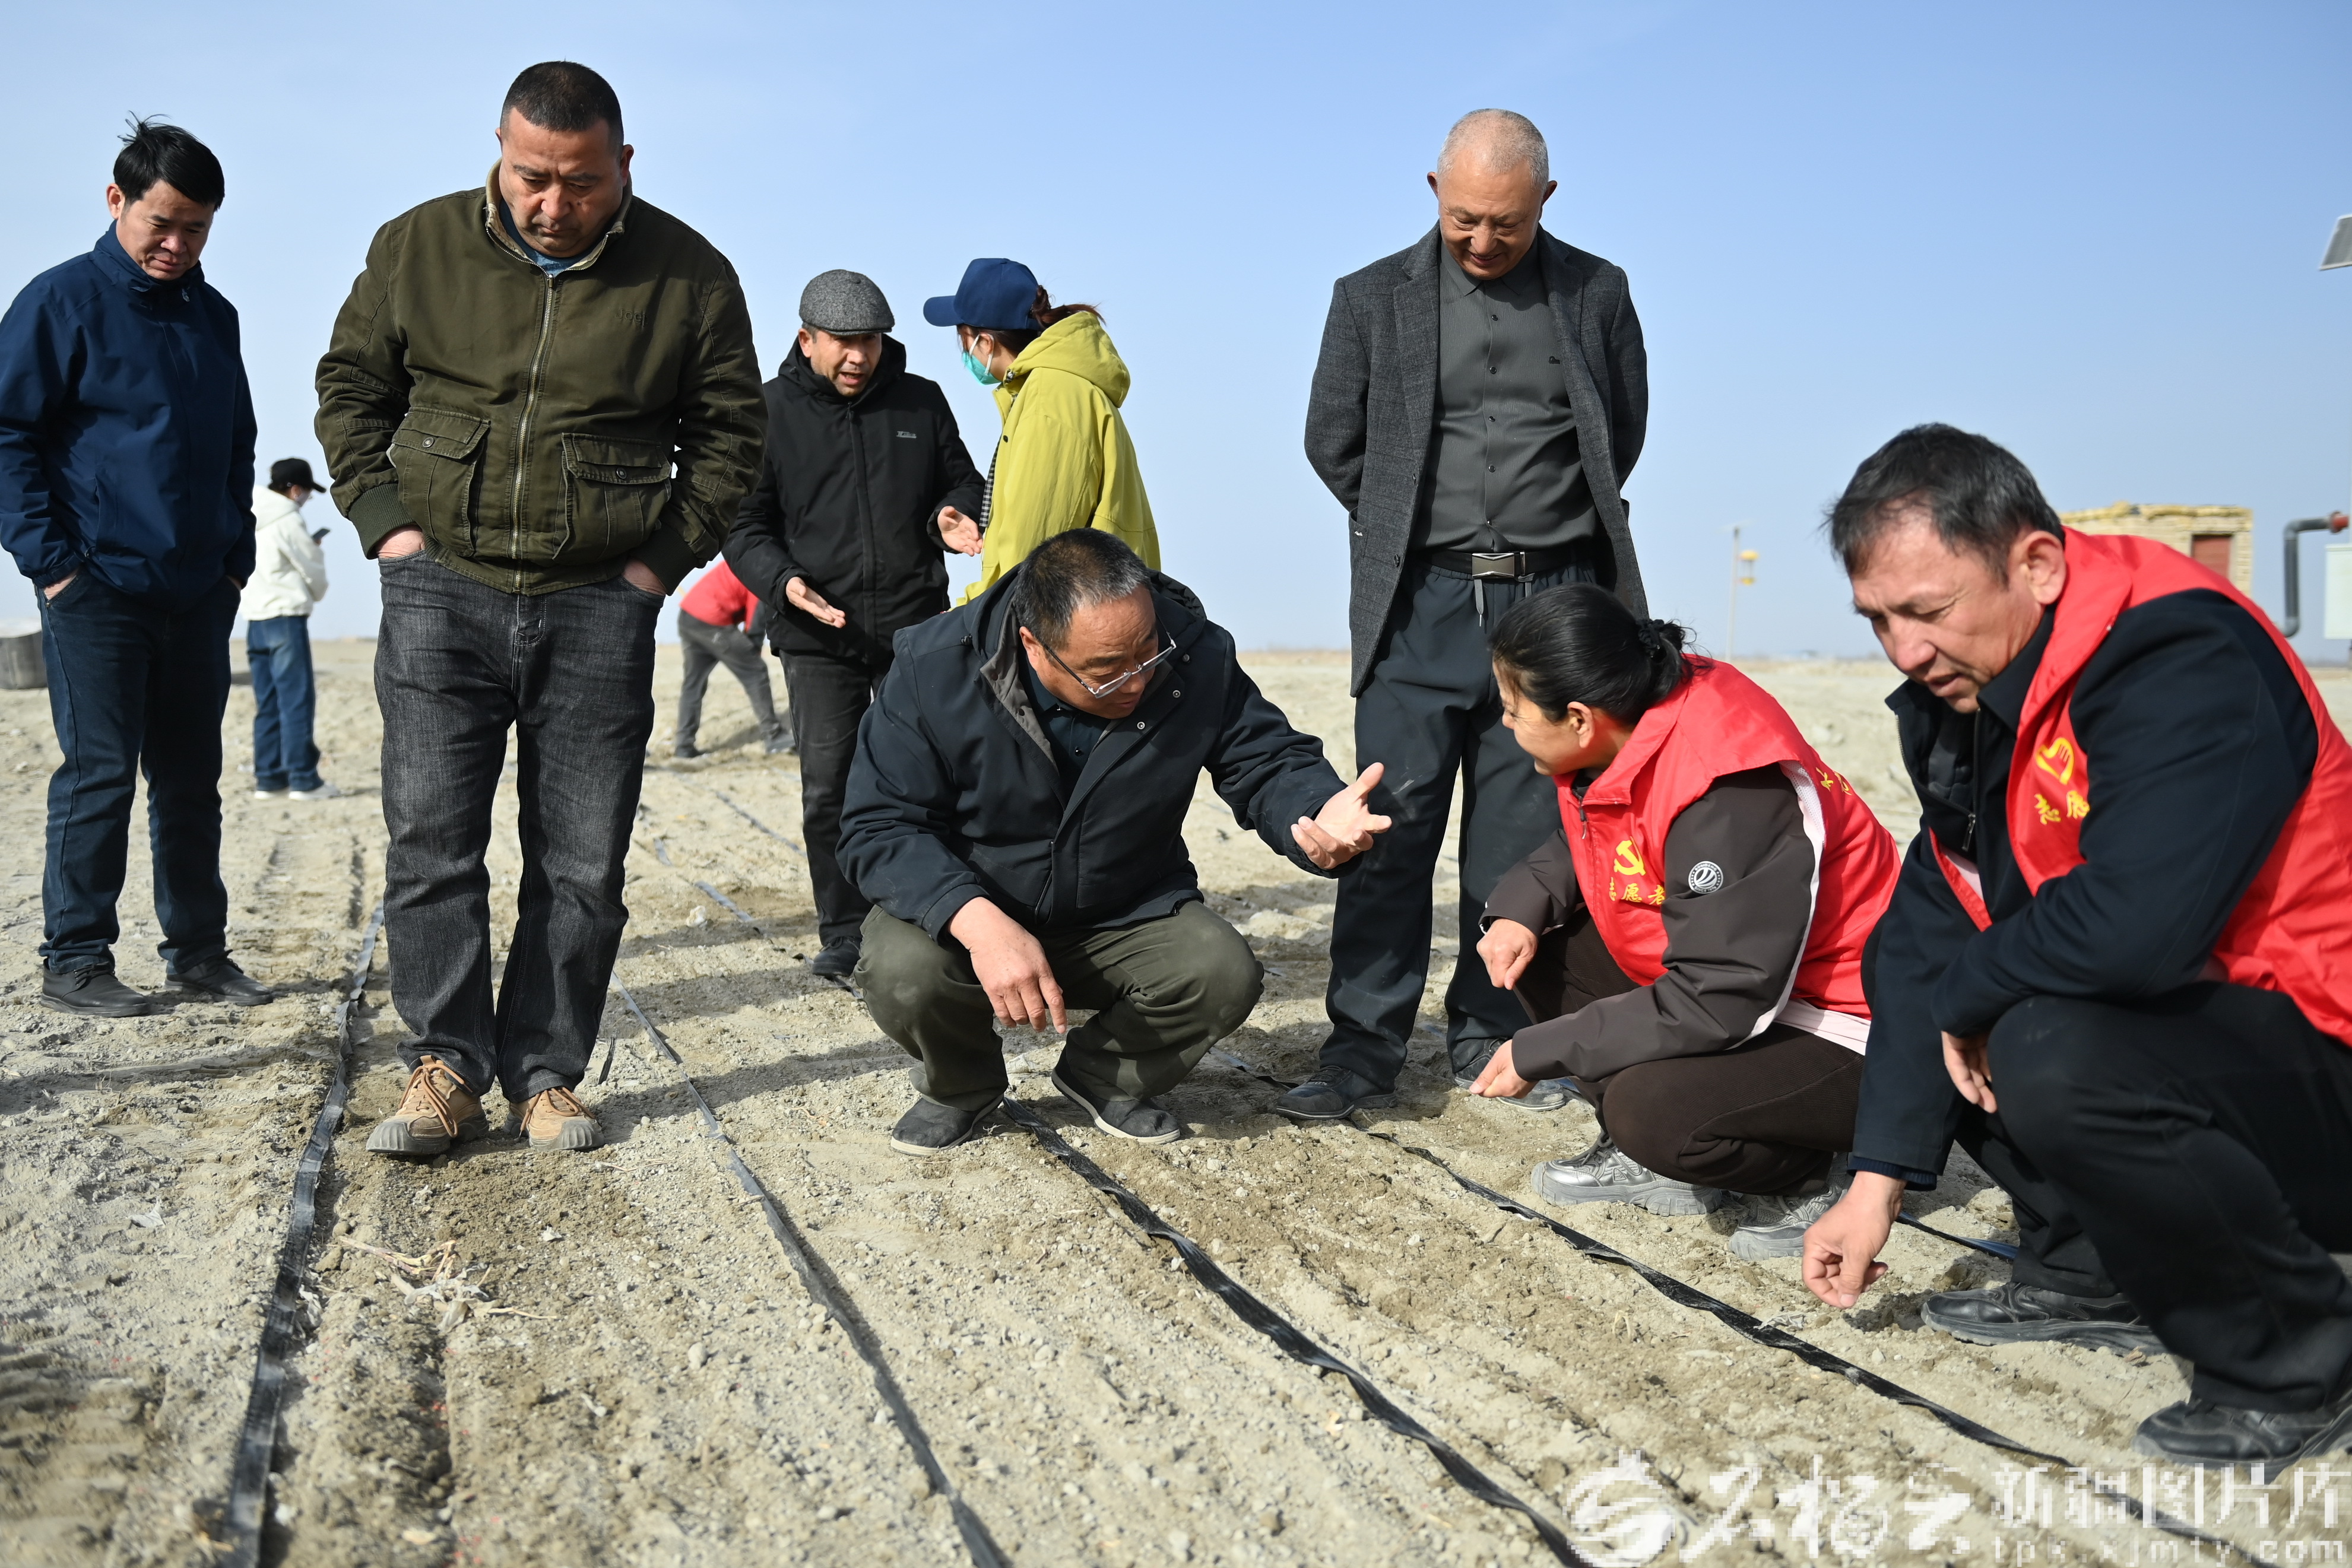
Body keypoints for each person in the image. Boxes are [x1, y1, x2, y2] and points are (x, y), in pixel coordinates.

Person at [1801, 426, 2352, 1465]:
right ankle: (2081, 1266)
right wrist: (1874, 1183)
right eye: (1877, 619)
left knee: (2046, 1041)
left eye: (1928, 610)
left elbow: (2138, 930)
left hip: (2322, 1046)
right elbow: (1931, 925)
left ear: (2038, 564)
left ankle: (2293, 1361)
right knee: (1938, 976)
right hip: (2219, 1041)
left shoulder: (2180, 656)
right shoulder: (1978, 690)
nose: (1904, 651)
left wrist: (1969, 994)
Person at [316, 62, 763, 1158]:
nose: (553, 204)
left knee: (581, 861)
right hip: (440, 588)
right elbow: (351, 389)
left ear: (624, 165)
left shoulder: (692, 275)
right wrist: (388, 529)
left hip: (599, 603)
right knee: (432, 840)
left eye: (581, 182)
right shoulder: (416, 245)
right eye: (531, 177)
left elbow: (730, 439)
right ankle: (445, 1066)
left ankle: (546, 1072)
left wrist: (655, 569)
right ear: (501, 154)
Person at [1286, 109, 1650, 1121]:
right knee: (1388, 829)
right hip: (1419, 601)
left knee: (1521, 840)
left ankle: (1492, 1036)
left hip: (1552, 604)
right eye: (1465, 220)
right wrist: (1411, 525)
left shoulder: (1597, 293)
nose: (1483, 241)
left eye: (1507, 223)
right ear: (1434, 192)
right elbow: (1331, 439)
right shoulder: (1368, 298)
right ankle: (1360, 1049)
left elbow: (1618, 435)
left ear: (1547, 201)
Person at [839, 529, 1390, 1155]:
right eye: (1105, 672)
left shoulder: (1195, 656)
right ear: (1032, 644)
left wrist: (1314, 811)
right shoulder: (933, 665)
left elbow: (1264, 760)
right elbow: (877, 825)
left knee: (1219, 972)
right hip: (979, 908)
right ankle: (960, 1087)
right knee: (902, 968)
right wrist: (977, 921)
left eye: (1147, 653)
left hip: (1123, 909)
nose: (1134, 682)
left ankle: (1104, 1077)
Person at [1463, 585, 1900, 1259]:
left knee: (1652, 1113)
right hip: (1747, 985)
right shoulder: (1633, 720)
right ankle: (1657, 1148)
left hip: (1848, 1022)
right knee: (1536, 946)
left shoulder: (1724, 786)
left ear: (1578, 719)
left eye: (1514, 710)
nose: (1504, 723)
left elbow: (1722, 994)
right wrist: (1520, 909)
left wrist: (1544, 1046)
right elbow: (1594, 837)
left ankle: (1815, 1167)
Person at [0, 118, 275, 1018]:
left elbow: (237, 442)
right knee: (100, 776)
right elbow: (7, 434)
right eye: (162, 223)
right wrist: (53, 565)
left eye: (197, 228)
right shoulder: (58, 302)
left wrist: (234, 559)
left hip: (198, 591)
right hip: (96, 589)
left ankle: (199, 954)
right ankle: (76, 959)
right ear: (117, 200)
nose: (177, 244)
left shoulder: (215, 315)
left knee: (192, 783)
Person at [725, 269, 984, 977]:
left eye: (868, 341)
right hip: (816, 636)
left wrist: (951, 512)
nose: (857, 356)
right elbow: (743, 525)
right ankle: (844, 931)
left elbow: (962, 482)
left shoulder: (920, 401)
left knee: (930, 779)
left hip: (914, 630)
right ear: (806, 339)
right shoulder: (767, 410)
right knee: (830, 786)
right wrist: (785, 582)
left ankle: (936, 914)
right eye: (841, 341)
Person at [921, 258, 1158, 598]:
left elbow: (1029, 556)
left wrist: (967, 613)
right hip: (1092, 605)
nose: (964, 351)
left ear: (985, 342)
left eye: (964, 338)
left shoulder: (1049, 399)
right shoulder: (1052, 389)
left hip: (1080, 614)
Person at [244, 456, 338, 801]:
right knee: (296, 700)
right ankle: (303, 779)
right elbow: (312, 570)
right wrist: (314, 556)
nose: (307, 499)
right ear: (296, 490)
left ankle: (269, 779)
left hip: (255, 618)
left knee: (268, 702)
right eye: (307, 493)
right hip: (286, 617)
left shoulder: (250, 515)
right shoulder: (288, 518)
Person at [671, 556, 784, 758]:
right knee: (756, 672)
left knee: (693, 684)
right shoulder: (763, 565)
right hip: (712, 620)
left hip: (689, 616)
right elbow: (756, 616)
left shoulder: (744, 555)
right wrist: (753, 649)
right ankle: (775, 737)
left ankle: (684, 746)